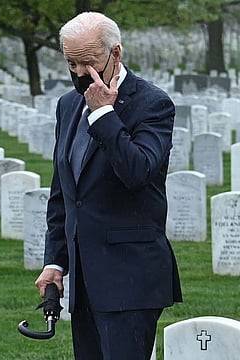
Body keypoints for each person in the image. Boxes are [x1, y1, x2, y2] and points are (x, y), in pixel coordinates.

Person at [34, 12, 182, 360]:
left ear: (116, 53)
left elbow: (138, 171)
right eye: (71, 63)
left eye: (89, 62)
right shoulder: (68, 104)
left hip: (131, 276)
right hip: (85, 279)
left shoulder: (152, 104)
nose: (81, 74)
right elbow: (65, 192)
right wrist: (56, 260)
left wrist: (103, 115)